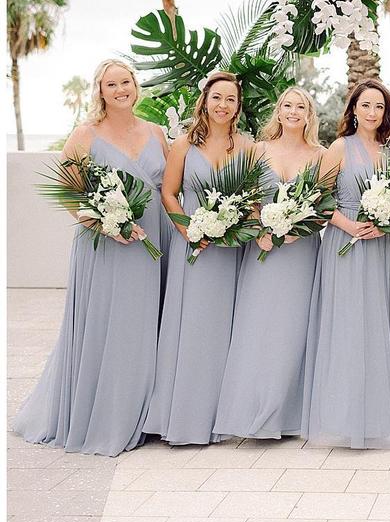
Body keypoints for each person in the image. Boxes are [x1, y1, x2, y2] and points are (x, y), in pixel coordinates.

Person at [13, 59, 169, 456]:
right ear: (99, 91)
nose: (120, 89)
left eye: (126, 82)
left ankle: (144, 411)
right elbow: (67, 192)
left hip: (154, 238)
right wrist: (105, 223)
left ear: (136, 86)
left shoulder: (156, 133)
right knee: (110, 324)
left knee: (147, 324)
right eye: (111, 84)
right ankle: (106, 415)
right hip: (106, 245)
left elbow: (171, 189)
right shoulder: (85, 134)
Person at [300, 79, 390, 448]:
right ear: (353, 109)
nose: (372, 113)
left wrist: (388, 224)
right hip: (344, 244)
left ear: (386, 113)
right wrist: (349, 224)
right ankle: (344, 416)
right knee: (348, 327)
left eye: (379, 107)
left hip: (383, 248)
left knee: (379, 327)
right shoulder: (339, 148)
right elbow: (316, 199)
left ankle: (381, 416)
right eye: (365, 105)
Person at [144, 71, 255, 445]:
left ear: (239, 106)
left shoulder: (246, 146)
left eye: (231, 99)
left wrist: (236, 225)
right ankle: (183, 416)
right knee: (190, 324)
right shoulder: (183, 144)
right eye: (217, 97)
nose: (223, 105)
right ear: (205, 99)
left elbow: (254, 198)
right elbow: (169, 194)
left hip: (230, 251)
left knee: (226, 326)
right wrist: (190, 229)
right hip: (192, 246)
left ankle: (219, 415)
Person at [214, 87, 326, 441]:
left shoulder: (321, 155)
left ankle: (288, 414)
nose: (293, 112)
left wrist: (297, 230)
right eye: (287, 106)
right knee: (257, 325)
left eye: (301, 107)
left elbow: (325, 206)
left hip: (301, 251)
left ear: (309, 115)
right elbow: (243, 199)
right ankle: (251, 412)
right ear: (278, 112)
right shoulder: (258, 150)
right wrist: (260, 228)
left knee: (293, 330)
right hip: (261, 248)